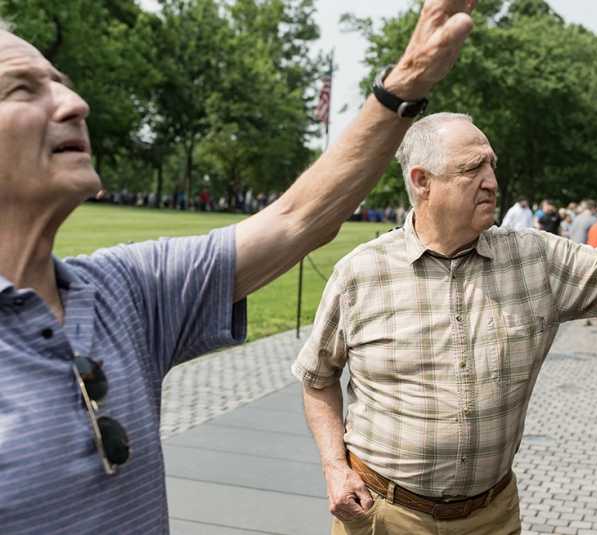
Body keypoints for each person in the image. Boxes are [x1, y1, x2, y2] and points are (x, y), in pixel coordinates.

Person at [0, 2, 477, 533]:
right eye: (22, 89)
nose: (75, 103)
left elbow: (297, 218)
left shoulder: (125, 291)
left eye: (60, 82)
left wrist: (408, 79)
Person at [294, 124, 597, 534]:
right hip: (383, 515)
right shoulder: (362, 273)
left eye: (491, 166)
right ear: (422, 182)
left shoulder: (534, 259)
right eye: (472, 169)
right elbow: (317, 377)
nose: (491, 181)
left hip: (491, 518)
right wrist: (335, 469)